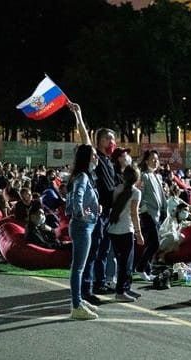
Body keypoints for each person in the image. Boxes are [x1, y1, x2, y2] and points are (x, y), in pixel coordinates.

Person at [69, 102, 118, 300]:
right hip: (95, 215)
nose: (112, 141)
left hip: (107, 213)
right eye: (108, 138)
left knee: (103, 250)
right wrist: (79, 116)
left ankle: (100, 283)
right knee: (93, 252)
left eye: (113, 138)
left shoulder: (110, 162)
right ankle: (86, 290)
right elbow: (84, 137)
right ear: (98, 142)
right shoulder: (92, 159)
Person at [65, 143, 100, 320]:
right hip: (82, 226)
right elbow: (77, 197)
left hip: (83, 225)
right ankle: (76, 305)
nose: (97, 158)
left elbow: (73, 199)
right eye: (94, 155)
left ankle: (78, 300)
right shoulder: (83, 177)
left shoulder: (82, 176)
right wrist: (80, 213)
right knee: (78, 268)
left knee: (80, 267)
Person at [107, 165, 145, 302]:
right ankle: (120, 291)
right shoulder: (136, 192)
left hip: (114, 229)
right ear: (137, 178)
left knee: (123, 261)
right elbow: (134, 214)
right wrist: (138, 233)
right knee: (126, 262)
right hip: (126, 230)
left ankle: (126, 288)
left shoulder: (117, 189)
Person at [134, 150, 168, 281]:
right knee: (154, 243)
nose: (155, 161)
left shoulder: (156, 176)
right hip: (147, 213)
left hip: (157, 214)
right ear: (146, 161)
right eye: (152, 159)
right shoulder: (144, 176)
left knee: (151, 243)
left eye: (157, 159)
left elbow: (161, 196)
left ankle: (147, 269)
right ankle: (141, 267)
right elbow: (139, 194)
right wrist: (143, 209)